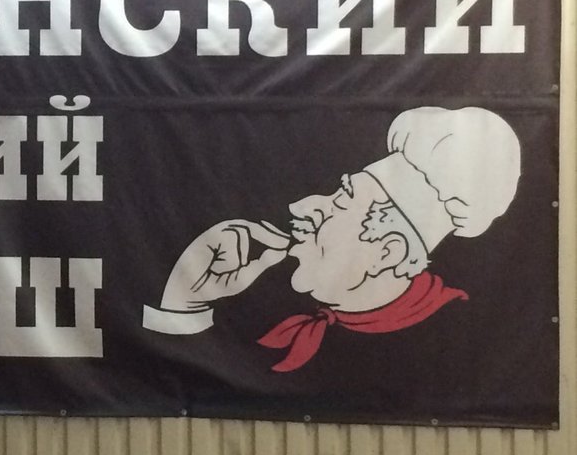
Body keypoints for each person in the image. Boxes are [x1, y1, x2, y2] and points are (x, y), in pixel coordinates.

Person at [142, 106, 521, 372]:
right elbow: (175, 384)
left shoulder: (446, 344)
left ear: (388, 252)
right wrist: (184, 301)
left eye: (342, 200)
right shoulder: (267, 299)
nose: (301, 207)